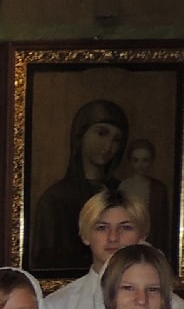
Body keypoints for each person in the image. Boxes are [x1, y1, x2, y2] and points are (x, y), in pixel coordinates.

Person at [44, 190, 184, 309]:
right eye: (102, 228)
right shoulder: (57, 307)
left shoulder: (172, 307)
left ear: (142, 235)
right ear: (85, 235)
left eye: (126, 227)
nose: (113, 237)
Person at [31, 100, 129, 271]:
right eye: (101, 133)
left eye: (116, 140)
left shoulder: (124, 192)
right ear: (80, 135)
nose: (108, 146)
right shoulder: (55, 199)